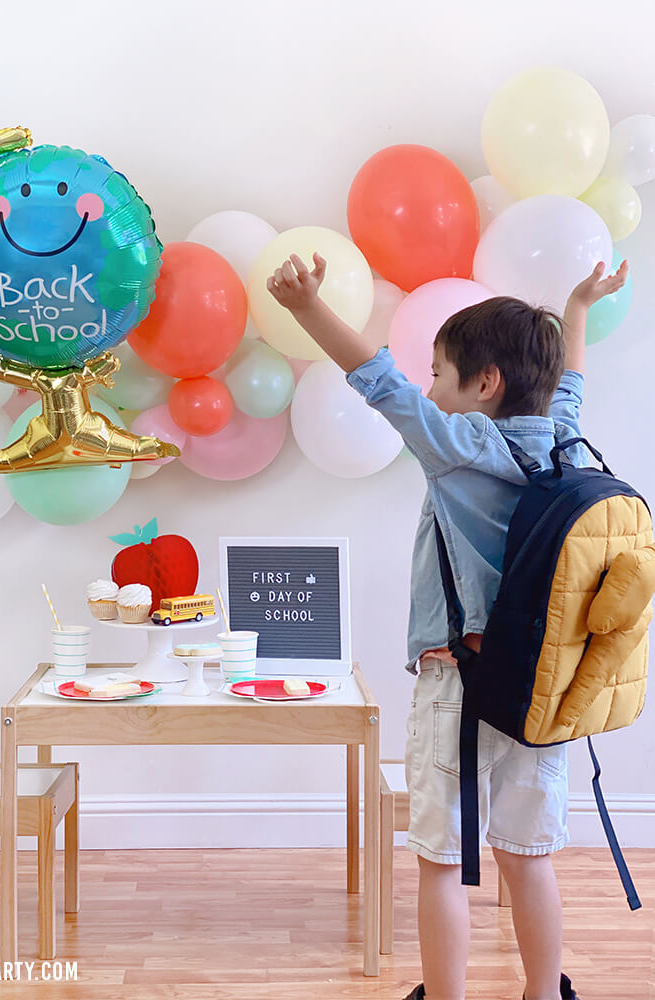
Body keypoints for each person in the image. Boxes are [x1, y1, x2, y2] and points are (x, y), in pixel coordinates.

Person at [267, 253, 628, 1000]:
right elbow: (573, 381)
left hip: (457, 687)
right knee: (528, 857)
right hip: (544, 692)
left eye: (439, 374)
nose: (429, 389)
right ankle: (540, 994)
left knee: (441, 861)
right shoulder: (561, 441)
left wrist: (307, 308)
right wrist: (578, 305)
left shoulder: (459, 449)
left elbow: (378, 383)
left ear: (484, 383)